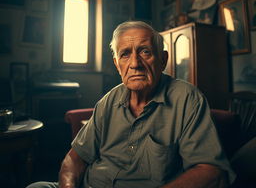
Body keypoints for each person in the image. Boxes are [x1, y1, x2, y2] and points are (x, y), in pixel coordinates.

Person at [27, 21, 235, 188]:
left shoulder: (187, 98)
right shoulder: (108, 101)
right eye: (125, 54)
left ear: (162, 60)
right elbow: (74, 159)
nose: (135, 63)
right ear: (117, 64)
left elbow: (210, 171)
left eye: (145, 52)